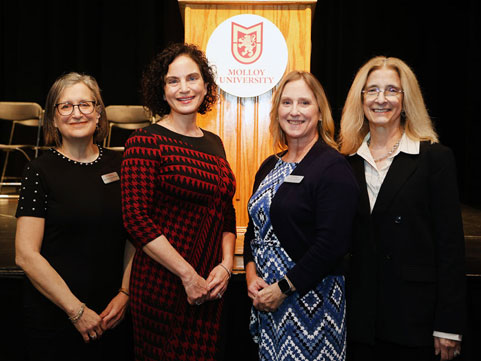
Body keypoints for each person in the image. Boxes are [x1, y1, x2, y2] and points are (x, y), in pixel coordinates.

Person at [339, 56, 466, 361]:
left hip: (414, 321)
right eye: (372, 91)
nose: (381, 99)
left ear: (406, 100)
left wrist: (448, 325)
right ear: (361, 99)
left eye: (392, 90)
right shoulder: (344, 162)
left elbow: (450, 247)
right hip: (358, 321)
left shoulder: (435, 159)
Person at [121, 43, 236, 361]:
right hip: (163, 285)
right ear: (162, 88)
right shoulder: (144, 142)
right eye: (173, 81)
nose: (184, 88)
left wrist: (226, 266)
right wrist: (187, 275)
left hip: (211, 286)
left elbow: (226, 211)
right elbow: (135, 219)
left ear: (205, 85)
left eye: (192, 78)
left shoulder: (215, 143)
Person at [15, 72, 135, 361]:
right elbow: (25, 255)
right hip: (56, 318)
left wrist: (125, 294)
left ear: (98, 113)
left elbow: (135, 236)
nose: (77, 113)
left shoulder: (123, 165)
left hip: (113, 316)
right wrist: (76, 311)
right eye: (66, 106)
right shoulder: (39, 171)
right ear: (54, 119)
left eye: (85, 104)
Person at [243, 70, 359, 361]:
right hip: (267, 301)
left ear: (320, 112)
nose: (294, 111)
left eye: (304, 103)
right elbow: (256, 230)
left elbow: (332, 245)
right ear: (277, 111)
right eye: (287, 102)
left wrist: (283, 288)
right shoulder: (270, 165)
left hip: (311, 303)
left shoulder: (333, 167)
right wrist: (251, 275)